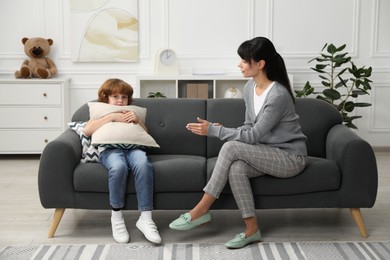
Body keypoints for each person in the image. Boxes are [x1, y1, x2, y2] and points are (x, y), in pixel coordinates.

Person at [169, 37, 307, 249]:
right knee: (236, 168)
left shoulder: (278, 95)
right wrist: (224, 129)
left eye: (244, 60)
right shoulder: (250, 87)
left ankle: (201, 209)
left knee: (230, 147)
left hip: (289, 157)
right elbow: (248, 126)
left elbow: (253, 137)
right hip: (266, 152)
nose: (239, 64)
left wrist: (215, 131)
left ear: (260, 64)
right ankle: (251, 230)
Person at [83, 78, 161, 244]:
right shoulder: (102, 111)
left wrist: (138, 120)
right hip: (110, 150)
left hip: (134, 148)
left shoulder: (132, 112)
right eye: (115, 96)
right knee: (119, 167)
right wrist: (111, 117)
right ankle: (117, 217)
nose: (120, 101)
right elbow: (88, 130)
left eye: (124, 97)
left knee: (143, 164)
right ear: (106, 98)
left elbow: (145, 133)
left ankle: (145, 218)